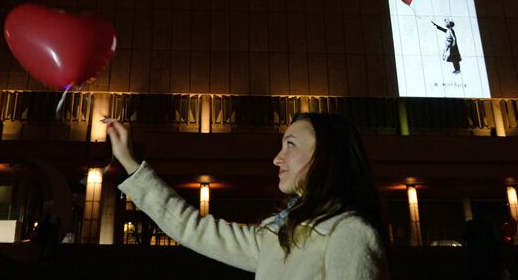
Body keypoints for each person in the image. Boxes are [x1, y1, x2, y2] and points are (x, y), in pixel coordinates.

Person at [104, 112, 390, 279]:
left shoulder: (349, 233)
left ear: (326, 154)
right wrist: (129, 162)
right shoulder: (279, 236)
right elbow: (194, 229)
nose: (277, 159)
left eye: (290, 145)